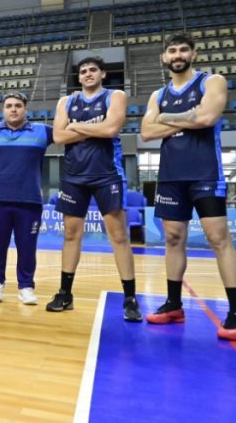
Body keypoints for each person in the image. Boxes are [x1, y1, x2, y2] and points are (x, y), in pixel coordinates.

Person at [140, 33, 236, 340]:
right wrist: (189, 116)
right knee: (173, 239)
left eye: (183, 50)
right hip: (170, 177)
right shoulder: (158, 94)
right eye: (172, 50)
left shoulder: (211, 82)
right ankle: (174, 304)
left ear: (194, 54)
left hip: (205, 174)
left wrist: (166, 119)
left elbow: (208, 117)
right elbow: (146, 132)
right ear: (164, 57)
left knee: (219, 239)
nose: (177, 55)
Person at [48, 57, 142, 321]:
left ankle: (130, 298)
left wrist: (75, 126)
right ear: (78, 77)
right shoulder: (66, 102)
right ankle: (65, 293)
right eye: (83, 71)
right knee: (70, 234)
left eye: (92, 70)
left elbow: (111, 129)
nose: (87, 74)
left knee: (119, 236)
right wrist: (94, 129)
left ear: (103, 74)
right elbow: (58, 136)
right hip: (74, 176)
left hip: (107, 175)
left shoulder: (115, 96)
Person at [0, 91, 53, 305]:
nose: (13, 109)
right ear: (3, 110)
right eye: (9, 106)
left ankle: (26, 286)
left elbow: (67, 130)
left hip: (30, 200)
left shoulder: (43, 131)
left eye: (17, 105)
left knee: (27, 246)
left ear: (25, 109)